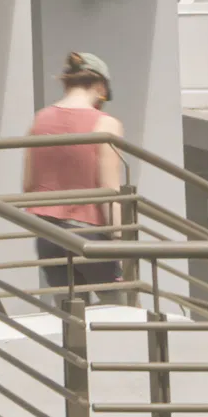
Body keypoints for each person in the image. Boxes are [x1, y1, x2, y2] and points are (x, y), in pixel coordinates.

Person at [22, 49, 130, 293]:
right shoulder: (106, 124)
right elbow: (109, 192)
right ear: (101, 88)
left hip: (48, 233)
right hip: (90, 235)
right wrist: (122, 241)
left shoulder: (40, 120)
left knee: (69, 313)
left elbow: (28, 184)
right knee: (120, 310)